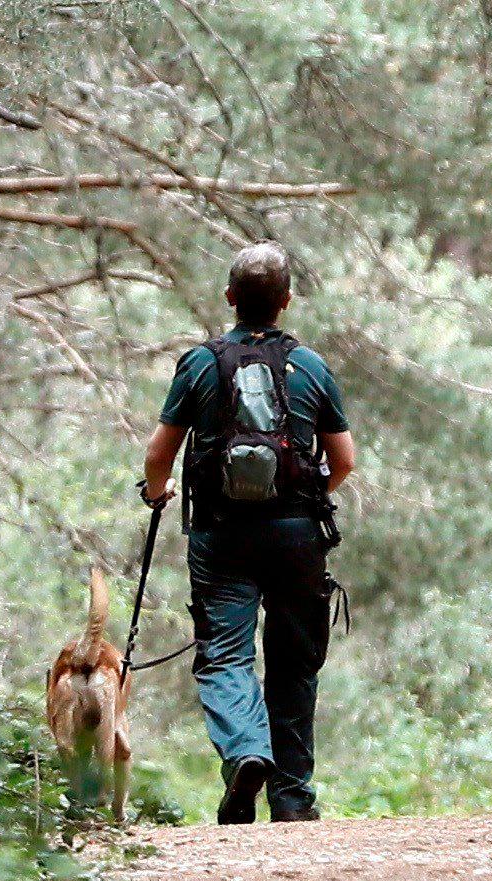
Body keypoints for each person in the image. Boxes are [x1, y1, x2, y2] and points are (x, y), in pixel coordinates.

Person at [141, 241, 356, 824]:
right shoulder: (309, 366)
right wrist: (311, 496)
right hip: (296, 536)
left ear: (231, 298)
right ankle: (292, 799)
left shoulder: (201, 364)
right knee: (293, 663)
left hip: (221, 534)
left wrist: (157, 490)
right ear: (286, 302)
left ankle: (245, 753)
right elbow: (344, 460)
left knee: (225, 657)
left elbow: (160, 453)